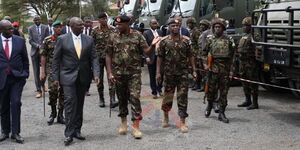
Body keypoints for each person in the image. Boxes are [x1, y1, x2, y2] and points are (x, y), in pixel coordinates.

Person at [106, 15, 160, 139]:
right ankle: (123, 123)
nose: (118, 26)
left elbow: (146, 51)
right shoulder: (113, 36)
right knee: (122, 98)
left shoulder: (137, 35)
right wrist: (109, 73)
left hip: (134, 74)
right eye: (117, 24)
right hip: (118, 74)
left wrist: (152, 45)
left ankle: (136, 127)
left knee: (135, 97)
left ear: (127, 24)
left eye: (120, 25)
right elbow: (108, 55)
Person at [52, 17, 100, 146]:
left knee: (79, 104)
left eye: (82, 25)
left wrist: (96, 74)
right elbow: (56, 60)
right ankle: (68, 133)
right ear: (71, 26)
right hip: (67, 77)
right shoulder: (62, 39)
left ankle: (77, 130)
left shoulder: (89, 39)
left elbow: (94, 58)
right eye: (79, 25)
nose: (82, 26)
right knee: (69, 103)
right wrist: (55, 77)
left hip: (83, 77)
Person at [156, 18, 196, 133]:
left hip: (183, 73)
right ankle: (166, 117)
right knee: (168, 96)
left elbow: (191, 56)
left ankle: (182, 121)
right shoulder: (164, 41)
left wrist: (194, 70)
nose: (175, 27)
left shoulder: (186, 40)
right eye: (173, 26)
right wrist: (158, 72)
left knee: (182, 97)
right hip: (169, 74)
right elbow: (160, 57)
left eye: (177, 26)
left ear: (180, 27)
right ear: (169, 27)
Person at [0, 20, 29, 144]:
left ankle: (16, 132)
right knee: (3, 105)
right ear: (1, 30)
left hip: (17, 78)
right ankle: (5, 131)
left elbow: (25, 59)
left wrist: (25, 74)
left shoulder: (20, 40)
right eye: (8, 29)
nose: (12, 31)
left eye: (12, 28)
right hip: (1, 78)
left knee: (16, 103)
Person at [202, 18, 236, 123]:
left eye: (219, 27)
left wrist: (231, 70)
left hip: (225, 70)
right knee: (211, 91)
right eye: (215, 27)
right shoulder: (210, 39)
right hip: (213, 69)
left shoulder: (229, 39)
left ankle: (222, 113)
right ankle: (209, 106)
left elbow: (233, 56)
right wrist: (205, 64)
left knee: (224, 93)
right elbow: (203, 52)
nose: (217, 29)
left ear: (223, 28)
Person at [40, 21, 65, 125]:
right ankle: (53, 113)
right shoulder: (47, 40)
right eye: (57, 27)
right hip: (51, 69)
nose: (59, 29)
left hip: (64, 69)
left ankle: (60, 115)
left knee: (63, 92)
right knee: (53, 91)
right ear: (53, 28)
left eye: (60, 27)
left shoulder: (66, 39)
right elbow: (43, 56)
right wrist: (42, 71)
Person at [91, 12, 118, 108]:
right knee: (100, 79)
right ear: (99, 20)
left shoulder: (113, 29)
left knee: (112, 78)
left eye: (105, 18)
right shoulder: (94, 31)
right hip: (99, 58)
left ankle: (112, 99)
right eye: (102, 18)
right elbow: (92, 44)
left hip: (111, 58)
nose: (104, 20)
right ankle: (101, 98)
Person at [237, 17, 259, 110]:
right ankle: (247, 100)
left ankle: (255, 103)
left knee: (252, 83)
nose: (244, 27)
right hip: (243, 62)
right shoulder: (244, 35)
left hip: (251, 63)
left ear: (251, 26)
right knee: (244, 81)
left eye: (246, 25)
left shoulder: (255, 35)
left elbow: (257, 49)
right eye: (243, 25)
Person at [28, 15, 49, 98]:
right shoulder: (30, 28)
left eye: (38, 19)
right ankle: (39, 90)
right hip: (35, 52)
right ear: (33, 21)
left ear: (41, 20)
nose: (37, 21)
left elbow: (47, 38)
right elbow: (30, 40)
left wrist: (43, 46)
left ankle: (43, 85)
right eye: (35, 20)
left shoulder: (45, 27)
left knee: (45, 71)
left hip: (44, 52)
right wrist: (37, 46)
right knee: (36, 72)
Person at [143, 19, 163, 99]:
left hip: (160, 57)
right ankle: (154, 91)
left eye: (156, 23)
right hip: (151, 56)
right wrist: (146, 57)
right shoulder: (146, 33)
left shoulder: (160, 32)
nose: (155, 25)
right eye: (153, 23)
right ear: (150, 24)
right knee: (152, 74)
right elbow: (144, 46)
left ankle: (159, 89)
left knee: (161, 73)